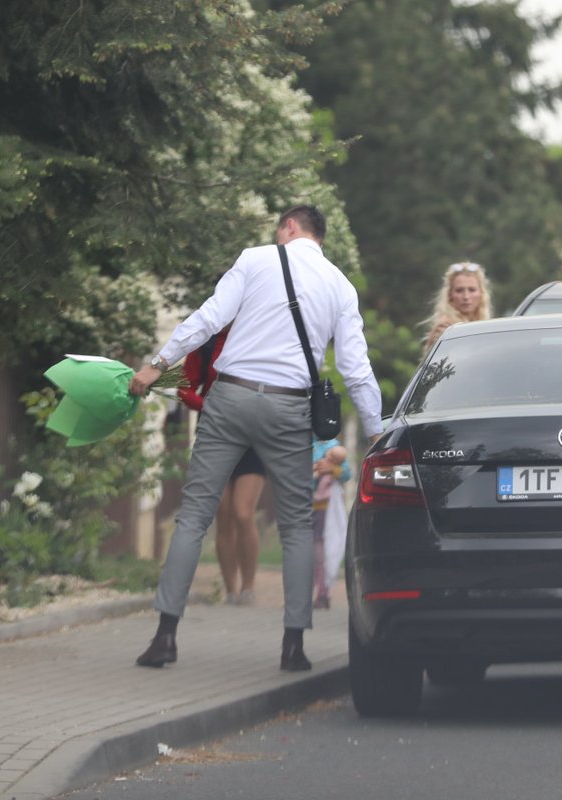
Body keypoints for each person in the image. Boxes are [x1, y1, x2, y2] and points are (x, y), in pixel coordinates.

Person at [129, 205, 383, 672]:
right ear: (319, 237)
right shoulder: (341, 287)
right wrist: (377, 433)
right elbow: (355, 366)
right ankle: (293, 647)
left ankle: (165, 636)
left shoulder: (255, 258)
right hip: (290, 408)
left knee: (194, 517)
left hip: (230, 398)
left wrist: (158, 363)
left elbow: (208, 318)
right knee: (294, 528)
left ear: (289, 226)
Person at [177, 327, 265, 606]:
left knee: (242, 512)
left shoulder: (260, 336)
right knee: (223, 514)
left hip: (252, 435)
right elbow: (184, 388)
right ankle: (231, 590)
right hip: (213, 433)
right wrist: (206, 404)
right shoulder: (206, 345)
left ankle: (249, 587)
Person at [311, 437, 351, 610]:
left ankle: (322, 592)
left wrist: (333, 468)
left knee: (320, 551)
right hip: (303, 504)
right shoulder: (301, 441)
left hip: (322, 509)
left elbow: (347, 473)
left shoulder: (332, 445)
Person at [422, 261, 492, 353]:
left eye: (472, 290)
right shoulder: (445, 328)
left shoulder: (486, 325)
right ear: (450, 294)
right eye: (459, 290)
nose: (466, 296)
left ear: (481, 293)